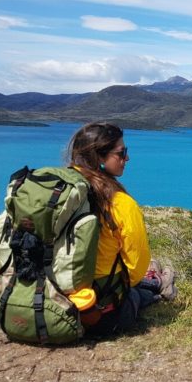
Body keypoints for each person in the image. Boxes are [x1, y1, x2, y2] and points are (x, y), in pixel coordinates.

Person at [66, 121, 176, 335]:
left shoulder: (56, 194)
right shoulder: (119, 203)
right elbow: (134, 270)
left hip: (46, 300)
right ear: (99, 157)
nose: (127, 158)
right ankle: (158, 282)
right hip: (96, 314)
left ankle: (156, 280)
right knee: (135, 292)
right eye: (121, 153)